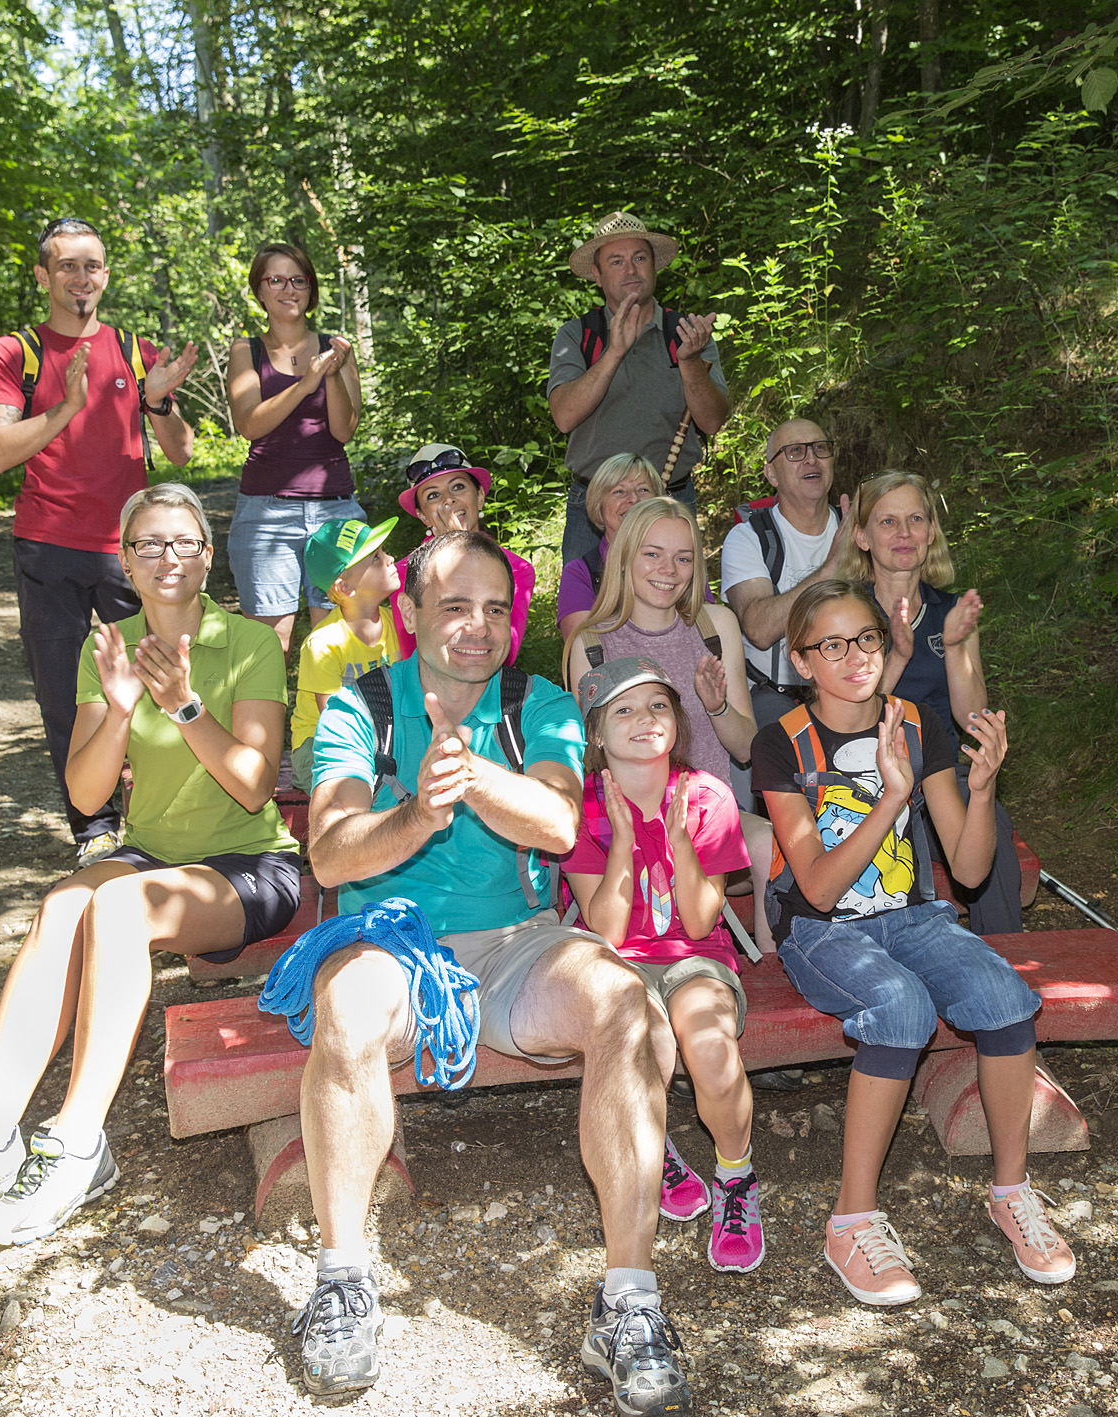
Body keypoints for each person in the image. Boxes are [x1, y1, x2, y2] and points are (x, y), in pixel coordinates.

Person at [289, 530, 691, 1410]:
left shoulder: (536, 700)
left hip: (519, 939)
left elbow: (554, 822)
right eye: (455, 607)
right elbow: (327, 853)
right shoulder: (362, 706)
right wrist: (415, 816)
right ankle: (344, 1278)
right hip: (392, 944)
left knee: (627, 1006)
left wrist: (466, 773)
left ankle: (628, 1302)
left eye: (496, 609)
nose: (478, 626)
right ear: (409, 613)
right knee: (347, 1007)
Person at [0, 483, 300, 1245]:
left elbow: (253, 784)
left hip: (248, 862)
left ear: (209, 555)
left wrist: (183, 703)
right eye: (147, 543)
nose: (166, 557)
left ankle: (79, 1142)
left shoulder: (249, 643)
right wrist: (119, 707)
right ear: (125, 558)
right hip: (148, 854)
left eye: (183, 541)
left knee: (118, 905)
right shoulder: (105, 647)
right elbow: (87, 794)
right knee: (61, 905)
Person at [752, 580, 1074, 1308]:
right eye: (831, 645)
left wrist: (983, 787)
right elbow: (822, 887)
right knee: (899, 1007)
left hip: (914, 916)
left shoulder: (917, 720)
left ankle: (1013, 1194)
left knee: (1003, 997)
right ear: (803, 660)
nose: (854, 656)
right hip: (821, 929)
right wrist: (892, 795)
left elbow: (964, 869)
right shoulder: (783, 742)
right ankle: (852, 1220)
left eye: (865, 638)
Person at [0, 217, 199, 868]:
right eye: (68, 265)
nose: (83, 277)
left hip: (130, 549)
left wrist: (158, 401)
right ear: (44, 276)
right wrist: (65, 408)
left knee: (160, 676)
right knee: (63, 692)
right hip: (48, 546)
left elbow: (181, 452)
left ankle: (164, 814)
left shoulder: (135, 349)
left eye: (93, 265)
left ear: (106, 275)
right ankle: (94, 828)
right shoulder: (13, 353)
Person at [561, 657, 762, 1274]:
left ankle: (737, 1179)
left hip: (693, 956)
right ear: (596, 732)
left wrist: (678, 845)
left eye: (657, 705)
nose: (645, 719)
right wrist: (623, 840)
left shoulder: (706, 796)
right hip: (613, 957)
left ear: (677, 719)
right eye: (624, 709)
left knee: (710, 1051)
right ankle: (661, 1148)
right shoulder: (578, 805)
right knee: (639, 1044)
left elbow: (702, 923)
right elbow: (609, 929)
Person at [564, 497, 775, 955]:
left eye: (684, 558)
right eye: (652, 554)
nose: (669, 570)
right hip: (625, 820)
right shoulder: (593, 643)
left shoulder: (716, 626)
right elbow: (591, 756)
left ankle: (774, 973)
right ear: (625, 557)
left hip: (709, 819)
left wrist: (717, 707)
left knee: (770, 842)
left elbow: (747, 751)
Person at [830, 470, 1022, 933]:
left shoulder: (949, 611)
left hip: (937, 774)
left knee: (987, 820)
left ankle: (1006, 959)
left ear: (931, 531)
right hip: (864, 774)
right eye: (887, 522)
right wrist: (897, 655)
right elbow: (848, 714)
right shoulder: (843, 612)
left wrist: (954, 647)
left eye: (915, 519)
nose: (904, 533)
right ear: (861, 536)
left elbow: (971, 718)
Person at [547, 210, 730, 564]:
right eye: (616, 261)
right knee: (588, 612)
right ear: (597, 276)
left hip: (671, 501)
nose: (630, 270)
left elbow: (711, 422)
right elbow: (564, 417)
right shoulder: (577, 335)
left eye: (639, 258)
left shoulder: (687, 334)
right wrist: (614, 351)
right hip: (594, 509)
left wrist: (690, 363)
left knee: (674, 608)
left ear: (654, 267)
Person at [224, 242, 365, 653]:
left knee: (338, 642)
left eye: (298, 280)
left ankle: (329, 720)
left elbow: (345, 431)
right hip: (266, 512)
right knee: (272, 645)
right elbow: (249, 424)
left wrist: (332, 376)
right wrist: (306, 384)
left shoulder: (338, 347)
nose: (289, 289)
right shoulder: (244, 350)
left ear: (311, 289)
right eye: (277, 280)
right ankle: (266, 719)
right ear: (261, 290)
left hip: (335, 509)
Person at [718, 417, 847, 728]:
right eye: (795, 452)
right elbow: (759, 630)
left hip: (850, 683)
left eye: (820, 448)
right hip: (774, 693)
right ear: (771, 473)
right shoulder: (749, 537)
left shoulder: (856, 526)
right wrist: (831, 568)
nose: (811, 459)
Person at [386, 444, 535, 663]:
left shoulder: (517, 569)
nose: (448, 499)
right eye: (433, 495)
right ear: (422, 515)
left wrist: (465, 552)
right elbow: (412, 654)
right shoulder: (402, 574)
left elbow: (504, 653)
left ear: (480, 496)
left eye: (457, 487)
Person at [291, 517, 400, 789]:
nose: (390, 559)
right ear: (345, 587)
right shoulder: (324, 645)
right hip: (321, 743)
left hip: (381, 733)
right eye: (376, 558)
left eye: (384, 552)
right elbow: (333, 718)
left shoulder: (398, 624)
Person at [556, 452, 659, 646]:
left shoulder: (681, 563)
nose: (634, 499)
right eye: (619, 491)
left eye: (643, 489)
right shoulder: (579, 574)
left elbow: (705, 631)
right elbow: (583, 651)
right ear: (599, 506)